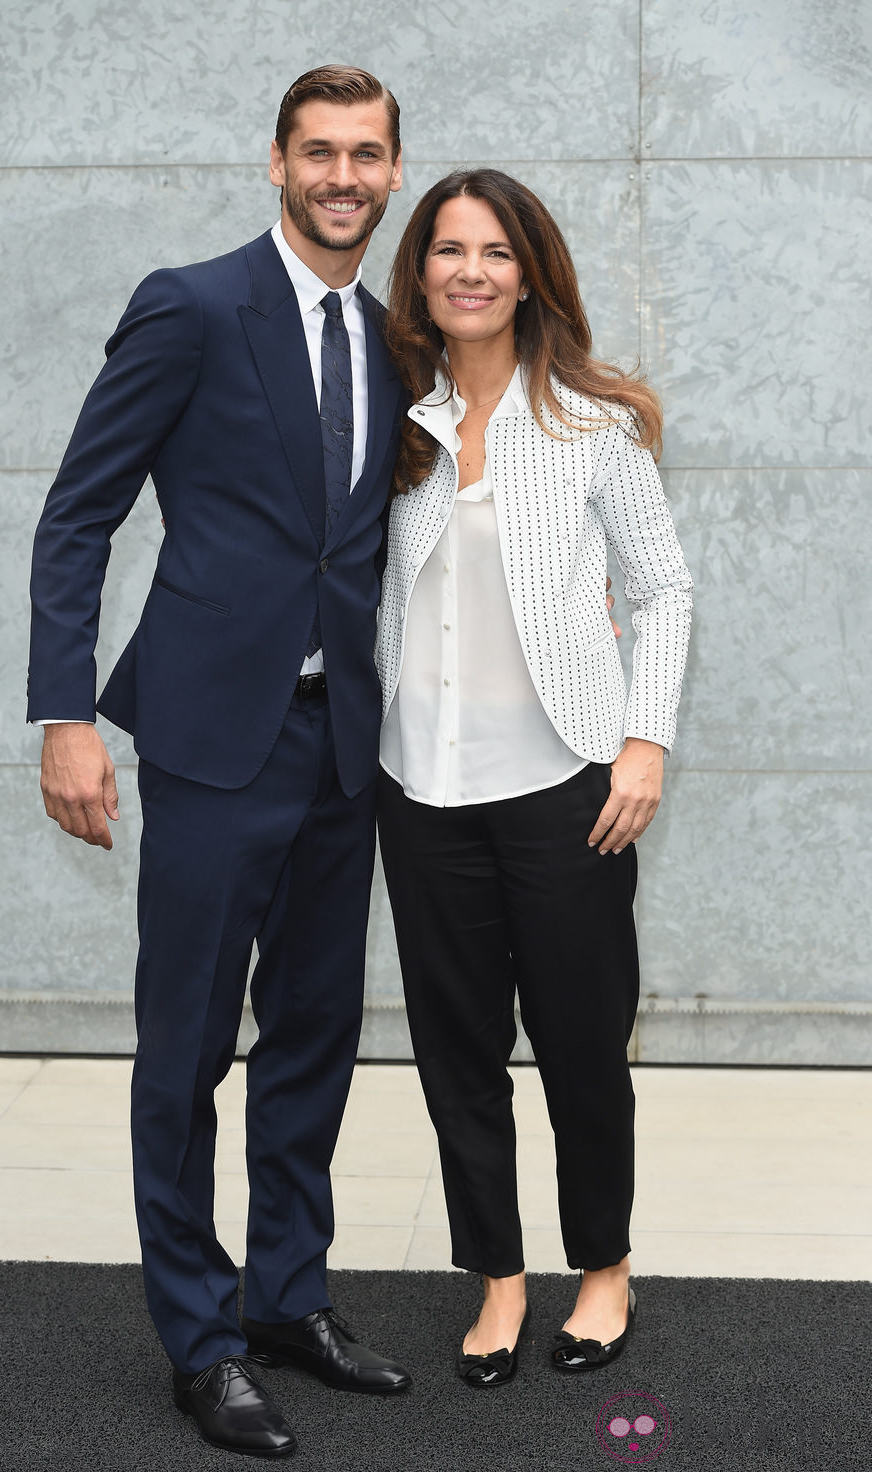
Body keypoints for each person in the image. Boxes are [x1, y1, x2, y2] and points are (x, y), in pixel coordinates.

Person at [28, 65, 412, 1459]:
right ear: (275, 164)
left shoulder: (389, 337)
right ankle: (199, 1338)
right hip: (205, 743)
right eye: (318, 152)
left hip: (340, 747)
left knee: (313, 1037)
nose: (342, 177)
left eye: (365, 154)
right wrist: (66, 711)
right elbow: (80, 516)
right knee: (186, 1047)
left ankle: (286, 1301)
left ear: (392, 170)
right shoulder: (190, 305)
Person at [375, 169, 693, 1385]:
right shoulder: (389, 424)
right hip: (419, 788)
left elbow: (661, 586)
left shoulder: (587, 423)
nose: (469, 269)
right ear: (422, 273)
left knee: (576, 1040)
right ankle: (499, 1277)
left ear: (528, 271)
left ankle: (601, 1265)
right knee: (456, 1047)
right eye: (447, 249)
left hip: (567, 782)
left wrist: (643, 737)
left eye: (493, 250)